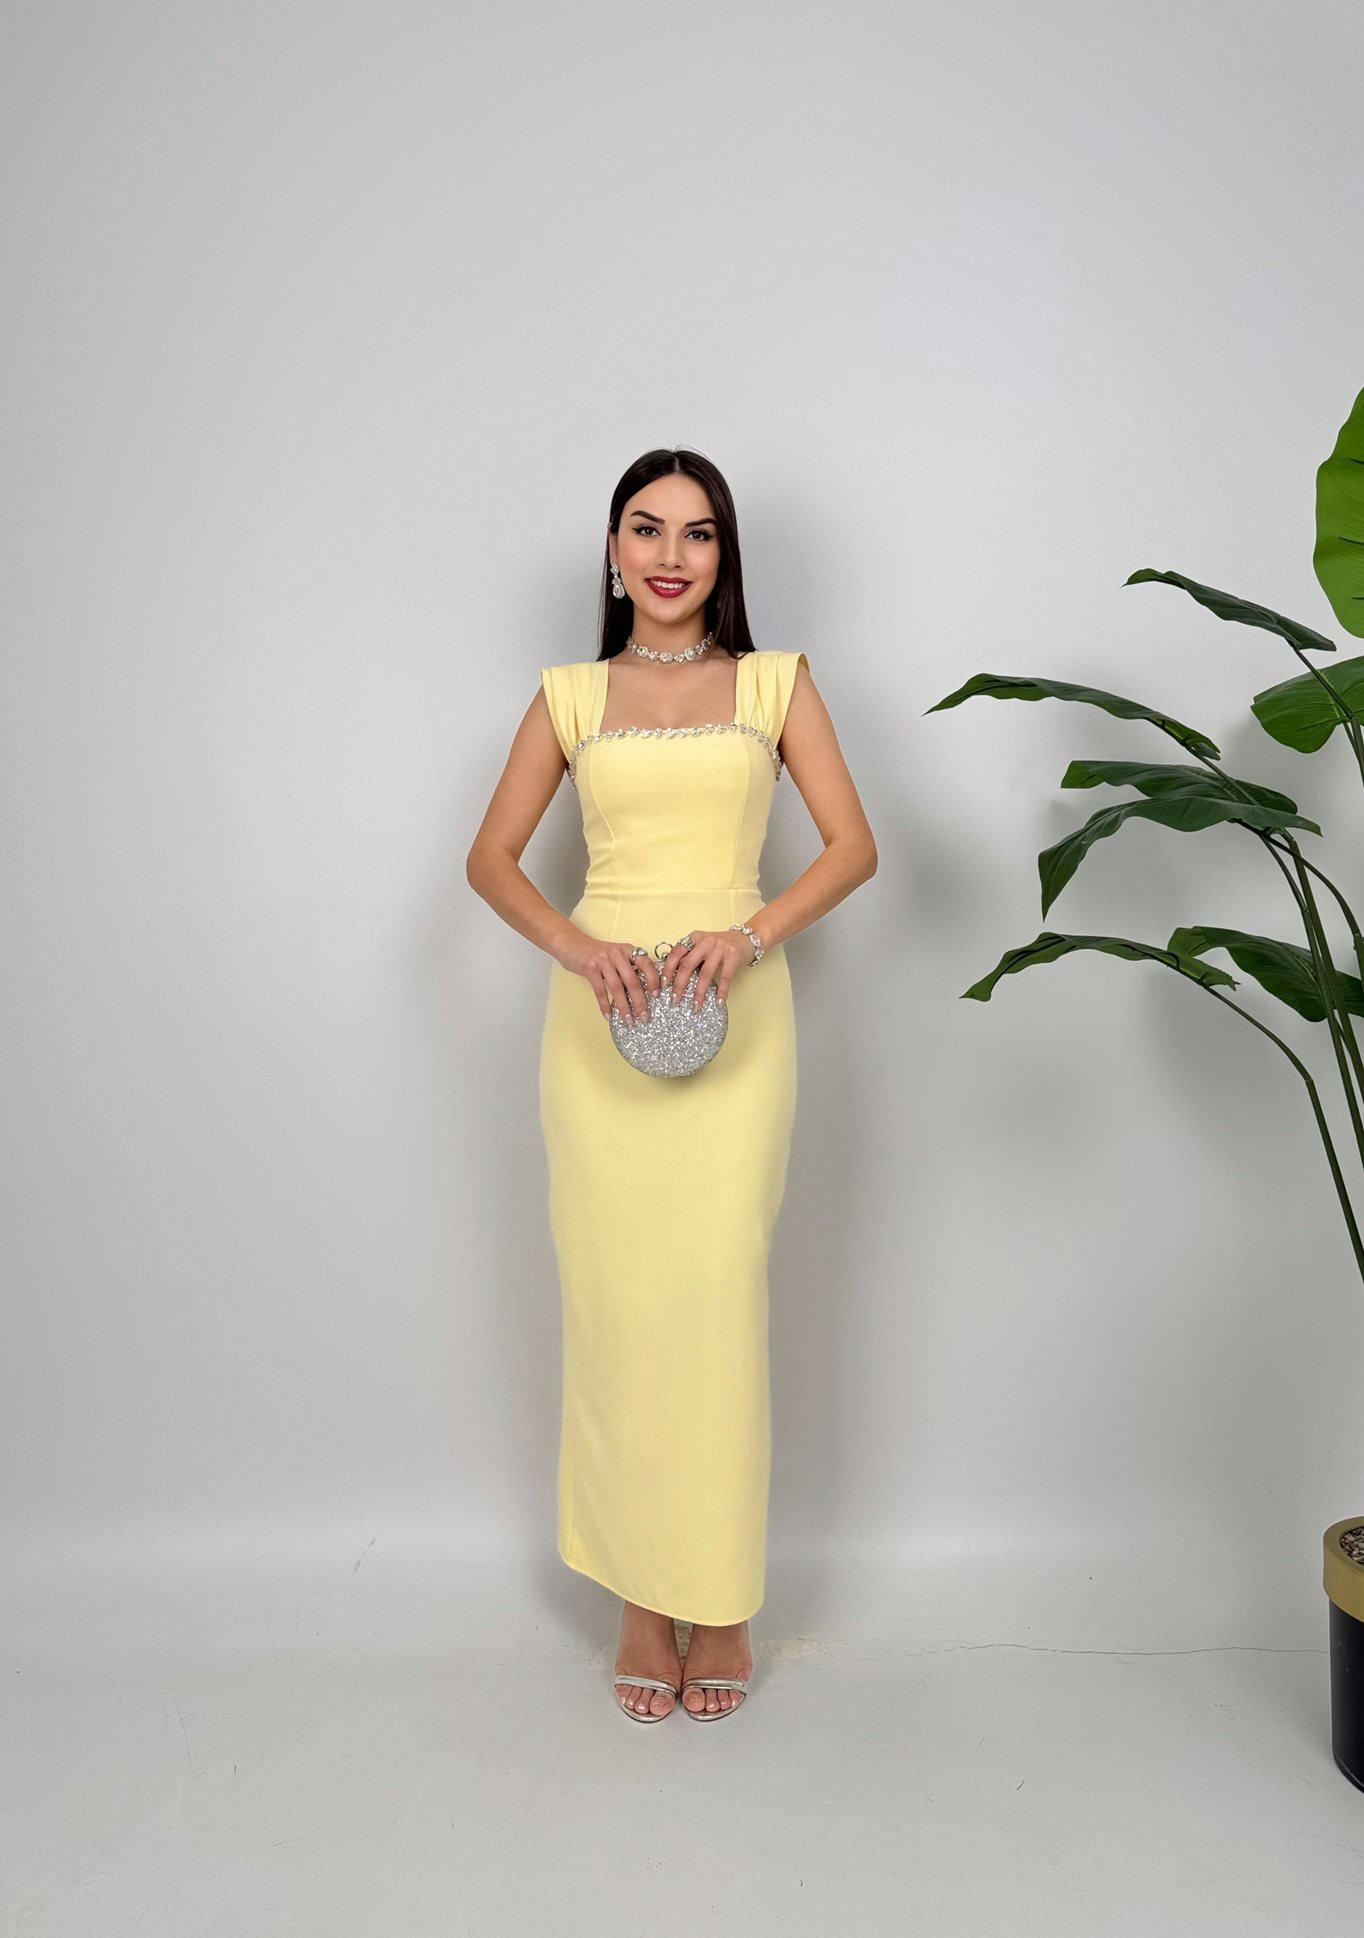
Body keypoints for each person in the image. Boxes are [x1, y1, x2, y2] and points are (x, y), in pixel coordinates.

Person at [465, 447, 877, 1722]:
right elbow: (490, 859)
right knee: (615, 1306)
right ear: (611, 550)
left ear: (722, 556)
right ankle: (642, 1600)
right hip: (599, 1027)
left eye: (696, 534)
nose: (668, 555)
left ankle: (723, 1599)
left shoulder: (774, 683)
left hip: (738, 1023)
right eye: (645, 529)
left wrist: (749, 933)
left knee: (715, 1299)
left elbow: (852, 847)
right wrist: (579, 948)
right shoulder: (570, 696)